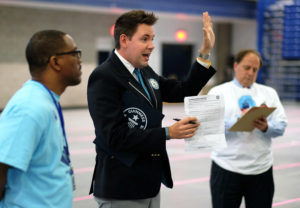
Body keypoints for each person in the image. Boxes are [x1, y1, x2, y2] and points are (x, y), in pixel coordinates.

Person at [87, 10, 216, 208]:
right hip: (121, 187)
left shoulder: (144, 71)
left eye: (153, 39)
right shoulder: (104, 76)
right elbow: (114, 136)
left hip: (149, 182)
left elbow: (182, 90)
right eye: (145, 39)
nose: (152, 45)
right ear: (124, 40)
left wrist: (205, 52)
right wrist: (167, 133)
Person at [0, 30, 82, 207]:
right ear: (55, 62)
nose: (80, 59)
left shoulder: (47, 100)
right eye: (75, 53)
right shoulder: (30, 106)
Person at [208, 49, 288, 208]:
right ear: (236, 66)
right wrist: (239, 122)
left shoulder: (269, 93)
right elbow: (208, 127)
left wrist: (266, 127)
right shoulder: (218, 92)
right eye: (247, 67)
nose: (250, 73)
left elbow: (281, 126)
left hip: (261, 170)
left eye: (255, 69)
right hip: (226, 167)